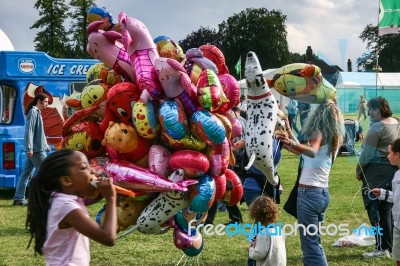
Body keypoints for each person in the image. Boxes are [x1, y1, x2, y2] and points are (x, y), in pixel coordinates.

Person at [278, 99, 345, 266]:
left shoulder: (318, 131)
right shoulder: (335, 137)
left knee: (310, 244)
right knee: (314, 240)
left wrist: (290, 142)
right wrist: (288, 132)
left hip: (309, 195)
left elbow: (312, 152)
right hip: (321, 194)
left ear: (319, 113)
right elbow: (304, 152)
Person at [26, 149, 117, 265]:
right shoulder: (67, 206)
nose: (93, 170)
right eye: (84, 167)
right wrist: (111, 198)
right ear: (67, 180)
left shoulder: (59, 200)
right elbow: (107, 237)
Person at [356, 97, 400, 258]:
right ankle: (389, 245)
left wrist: (358, 171)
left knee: (375, 208)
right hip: (394, 170)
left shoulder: (376, 128)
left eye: (372, 109)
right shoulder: (397, 122)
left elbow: (366, 155)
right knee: (387, 208)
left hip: (377, 171)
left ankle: (382, 248)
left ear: (381, 109)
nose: (369, 112)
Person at [12, 93, 50, 206]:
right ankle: (45, 199)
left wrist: (46, 144)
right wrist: (29, 148)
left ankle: (18, 199)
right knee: (48, 172)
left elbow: (39, 132)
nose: (47, 105)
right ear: (39, 101)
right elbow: (29, 131)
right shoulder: (33, 112)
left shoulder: (37, 113)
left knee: (25, 174)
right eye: (46, 102)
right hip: (36, 151)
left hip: (37, 149)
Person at [371, 137, 400, 265]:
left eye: (389, 153)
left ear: (397, 154)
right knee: (398, 258)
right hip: (398, 227)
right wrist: (383, 193)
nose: (387, 156)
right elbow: (397, 197)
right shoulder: (396, 175)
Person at [247, 195, 286, 266]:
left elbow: (259, 254)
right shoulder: (279, 230)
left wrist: (251, 249)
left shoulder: (263, 234)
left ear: (255, 216)